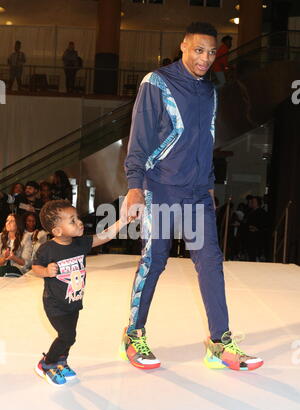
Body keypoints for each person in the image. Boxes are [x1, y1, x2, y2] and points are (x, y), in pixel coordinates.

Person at [120, 22, 263, 372]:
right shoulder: (157, 82)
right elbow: (139, 137)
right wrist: (135, 185)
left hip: (198, 192)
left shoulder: (209, 91)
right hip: (162, 187)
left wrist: (209, 184)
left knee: (210, 261)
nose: (205, 58)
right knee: (155, 260)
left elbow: (207, 141)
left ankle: (219, 342)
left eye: (212, 52)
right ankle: (133, 334)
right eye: (199, 50)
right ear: (184, 46)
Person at [32, 200, 127, 387]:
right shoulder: (48, 249)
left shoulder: (79, 244)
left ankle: (61, 361)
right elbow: (35, 267)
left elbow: (104, 236)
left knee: (70, 334)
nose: (79, 222)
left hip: (73, 301)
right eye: (72, 221)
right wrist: (45, 271)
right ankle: (46, 363)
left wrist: (122, 221)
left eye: (77, 218)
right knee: (67, 336)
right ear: (58, 231)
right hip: (55, 304)